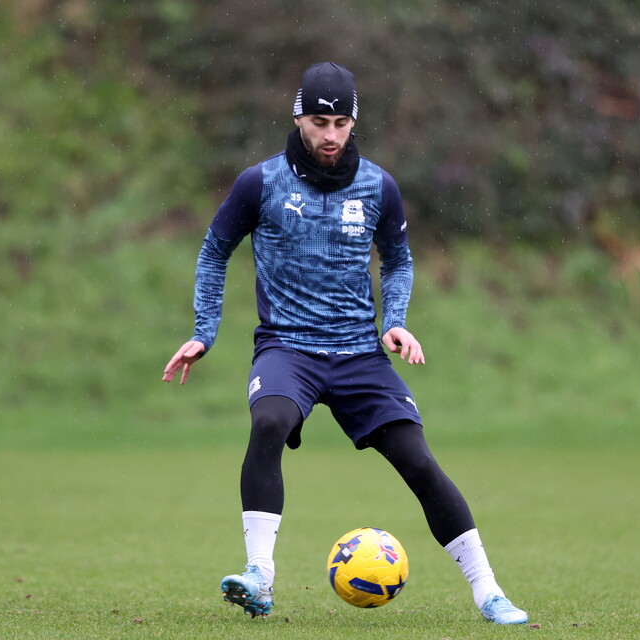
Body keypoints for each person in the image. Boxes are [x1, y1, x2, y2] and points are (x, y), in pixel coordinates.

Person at [162, 62, 528, 625]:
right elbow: (214, 252)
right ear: (298, 119)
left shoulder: (379, 186)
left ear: (353, 122)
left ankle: (489, 591)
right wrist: (203, 332)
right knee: (269, 422)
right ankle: (259, 575)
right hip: (287, 348)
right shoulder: (260, 183)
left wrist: (394, 320)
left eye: (340, 123)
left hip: (359, 353)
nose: (330, 134)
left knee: (419, 462)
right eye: (318, 121)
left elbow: (399, 260)